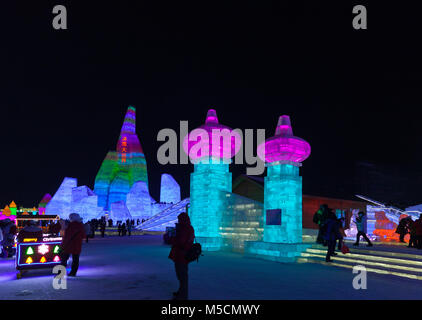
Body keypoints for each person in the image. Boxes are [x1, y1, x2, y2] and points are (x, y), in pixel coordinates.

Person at [168, 212, 195, 300]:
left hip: (181, 256)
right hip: (184, 255)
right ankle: (181, 293)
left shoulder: (184, 229)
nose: (178, 221)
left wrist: (173, 236)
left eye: (179, 219)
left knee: (182, 277)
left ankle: (182, 296)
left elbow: (180, 241)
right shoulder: (190, 228)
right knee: (182, 277)